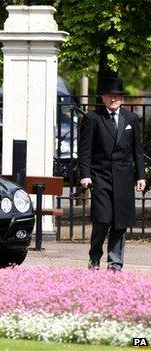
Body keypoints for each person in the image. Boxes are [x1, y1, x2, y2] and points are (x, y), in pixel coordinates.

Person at [78, 77, 146, 271]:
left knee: (120, 222)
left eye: (117, 96)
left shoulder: (131, 119)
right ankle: (94, 258)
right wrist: (85, 174)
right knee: (102, 219)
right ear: (103, 98)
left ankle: (115, 264)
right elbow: (85, 150)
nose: (113, 99)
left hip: (124, 179)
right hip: (101, 178)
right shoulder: (93, 118)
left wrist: (141, 176)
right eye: (110, 96)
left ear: (122, 99)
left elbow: (137, 150)